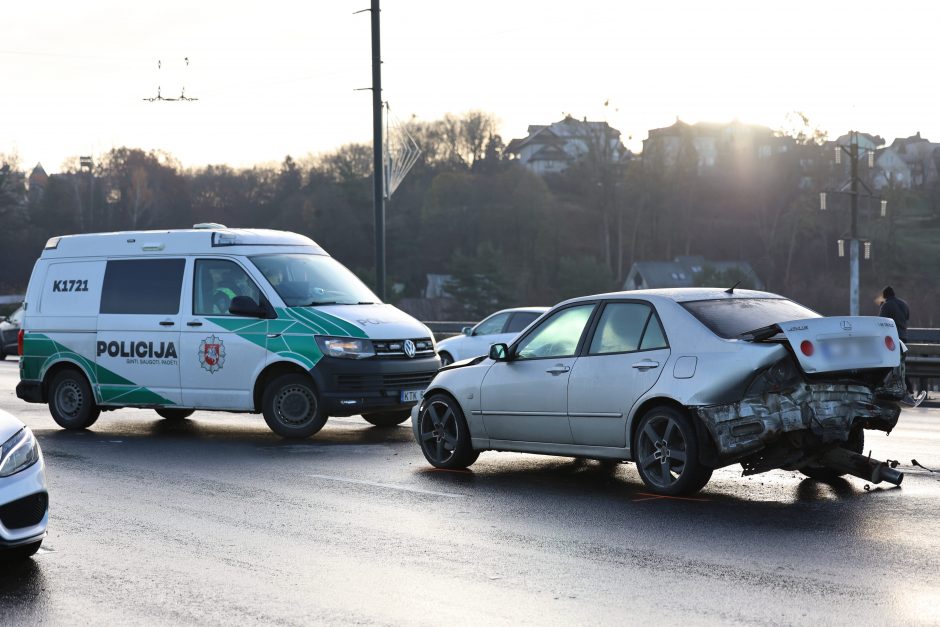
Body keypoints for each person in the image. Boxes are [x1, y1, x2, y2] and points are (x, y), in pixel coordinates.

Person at [878, 286, 924, 406]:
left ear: (885, 295)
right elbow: (906, 317)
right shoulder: (904, 303)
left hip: (892, 340)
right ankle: (907, 389)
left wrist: (882, 307)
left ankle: (907, 389)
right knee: (900, 363)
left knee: (895, 364)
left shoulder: (886, 305)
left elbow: (881, 321)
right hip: (903, 337)